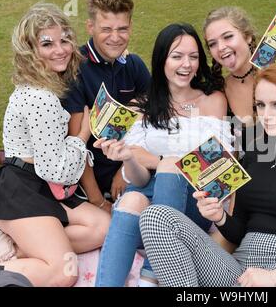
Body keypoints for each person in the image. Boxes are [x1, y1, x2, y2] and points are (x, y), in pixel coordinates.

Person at [138, 64, 276, 287]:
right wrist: (220, 217)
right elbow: (239, 232)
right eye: (260, 105)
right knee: (155, 217)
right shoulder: (255, 152)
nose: (266, 115)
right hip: (238, 271)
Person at [93, 23, 231, 287]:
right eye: (177, 56)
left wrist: (158, 160)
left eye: (193, 57)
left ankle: (150, 277)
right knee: (132, 197)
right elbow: (140, 179)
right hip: (144, 202)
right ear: (161, 60)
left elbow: (216, 168)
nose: (186, 64)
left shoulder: (213, 100)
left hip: (191, 205)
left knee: (169, 166)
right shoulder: (140, 106)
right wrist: (129, 158)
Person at [0, 3, 110, 287]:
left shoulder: (41, 87)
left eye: (64, 40)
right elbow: (57, 172)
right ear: (30, 50)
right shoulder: (41, 98)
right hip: (22, 188)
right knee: (64, 272)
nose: (60, 49)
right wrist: (82, 135)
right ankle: (14, 262)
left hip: (39, 183)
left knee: (103, 227)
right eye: (47, 43)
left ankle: (19, 249)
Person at [65, 0, 151, 212]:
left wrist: (124, 169)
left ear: (131, 26)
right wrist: (98, 202)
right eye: (106, 29)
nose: (115, 37)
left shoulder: (134, 65)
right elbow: (76, 146)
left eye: (122, 29)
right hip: (92, 183)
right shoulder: (75, 70)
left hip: (133, 169)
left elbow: (155, 115)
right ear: (90, 27)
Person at [203, 6, 276, 151]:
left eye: (228, 37)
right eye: (212, 44)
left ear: (247, 36)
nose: (220, 47)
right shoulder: (218, 92)